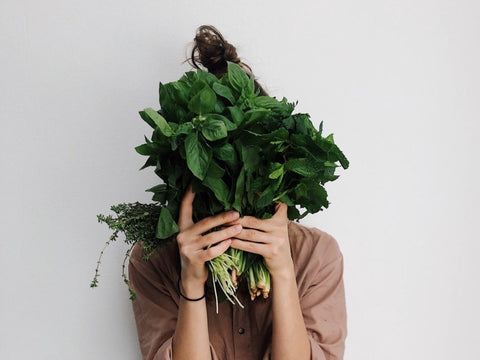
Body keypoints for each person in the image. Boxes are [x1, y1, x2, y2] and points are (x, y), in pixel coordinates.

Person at [128, 25, 347, 360]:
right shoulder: (154, 260)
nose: (232, 191)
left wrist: (284, 272)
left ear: (277, 165)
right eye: (217, 172)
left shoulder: (315, 255)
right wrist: (191, 284)